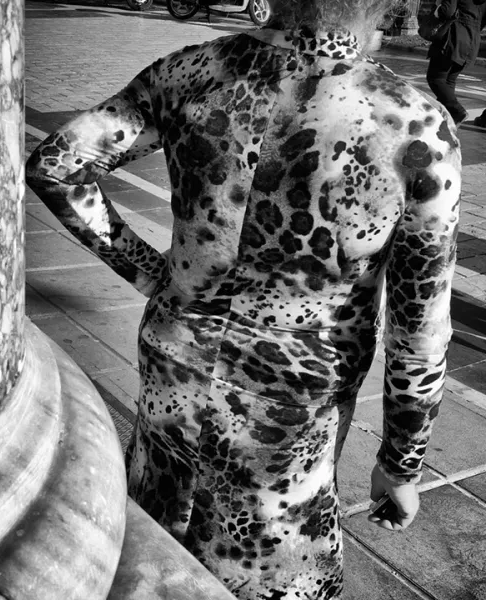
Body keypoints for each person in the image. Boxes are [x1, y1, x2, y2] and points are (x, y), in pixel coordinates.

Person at [25, 0, 462, 597]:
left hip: (175, 356)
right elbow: (420, 325)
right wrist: (402, 461)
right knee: (278, 566)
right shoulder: (415, 124)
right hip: (292, 398)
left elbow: (57, 165)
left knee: (153, 544)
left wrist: (152, 273)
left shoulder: (189, 72)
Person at [425, 0, 486, 124]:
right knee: (449, 80)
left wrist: (437, 7)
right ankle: (448, 117)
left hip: (453, 37)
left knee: (435, 78)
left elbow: (447, 11)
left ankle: (457, 111)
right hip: (472, 39)